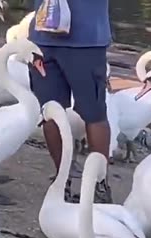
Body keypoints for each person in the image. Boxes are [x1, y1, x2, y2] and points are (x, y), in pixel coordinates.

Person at [28, 0, 113, 203]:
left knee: (52, 112)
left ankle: (63, 183)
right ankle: (97, 187)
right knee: (90, 113)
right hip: (82, 39)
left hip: (48, 36)